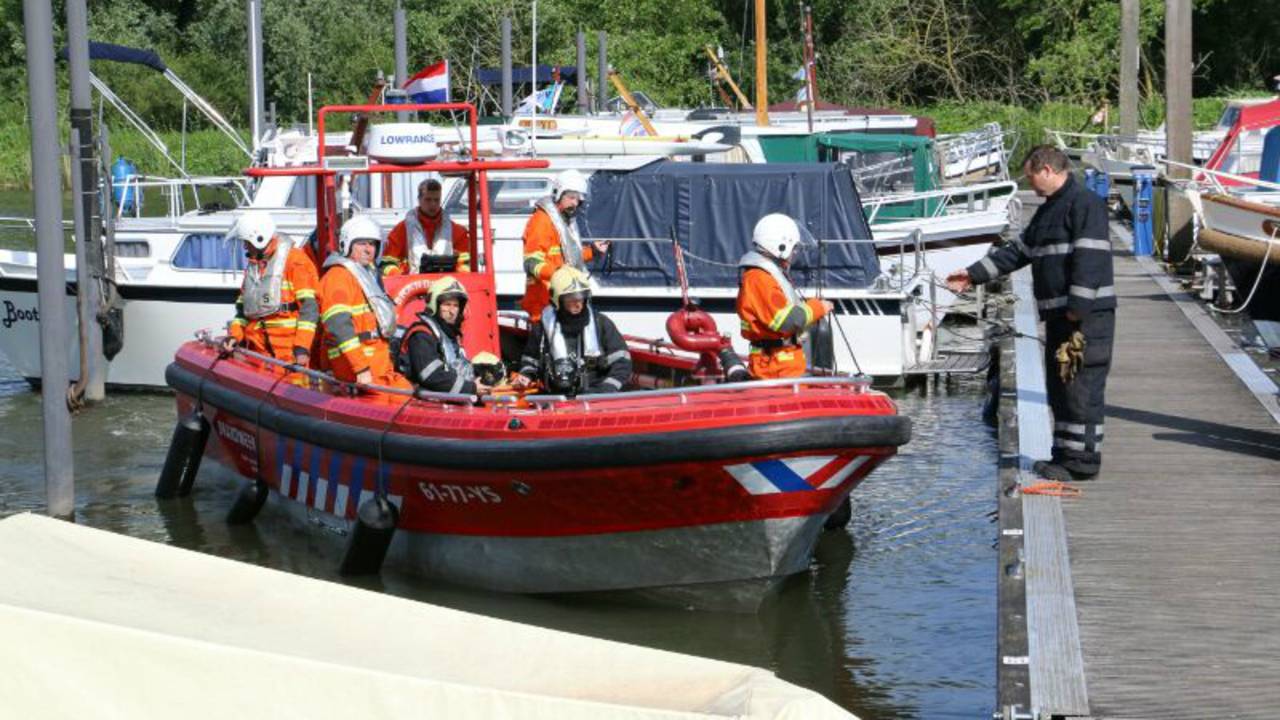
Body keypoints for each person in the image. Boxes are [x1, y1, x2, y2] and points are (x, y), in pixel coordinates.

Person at [946, 144, 1115, 481]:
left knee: (1081, 387)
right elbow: (1018, 252)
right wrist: (973, 274)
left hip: (1084, 318)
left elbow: (1090, 259)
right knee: (1061, 387)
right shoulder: (1051, 209)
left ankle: (1081, 462)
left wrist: (1077, 310)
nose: (1032, 184)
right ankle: (1064, 456)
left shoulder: (1085, 205)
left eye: (1032, 177)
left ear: (1048, 170)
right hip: (1060, 317)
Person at [736, 213, 833, 379]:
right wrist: (818, 307)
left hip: (783, 365)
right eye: (793, 248)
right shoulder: (759, 278)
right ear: (780, 246)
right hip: (775, 368)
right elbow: (785, 321)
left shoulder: (768, 275)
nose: (794, 254)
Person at [318, 214, 409, 388]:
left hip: (379, 367)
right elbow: (338, 325)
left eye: (373, 244)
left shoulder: (368, 276)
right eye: (362, 243)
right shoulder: (339, 277)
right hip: (357, 374)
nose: (369, 249)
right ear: (347, 245)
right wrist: (360, 368)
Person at [512, 266, 631, 395]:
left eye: (581, 298)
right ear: (557, 300)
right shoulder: (543, 328)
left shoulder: (600, 324)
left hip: (595, 396)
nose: (578, 304)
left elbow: (622, 361)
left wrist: (605, 389)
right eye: (571, 299)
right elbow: (530, 360)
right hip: (554, 399)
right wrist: (526, 375)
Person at [223, 211, 320, 366]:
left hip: (290, 355)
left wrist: (302, 347)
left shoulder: (295, 261)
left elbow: (309, 309)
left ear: (258, 238)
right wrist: (235, 336)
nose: (244, 246)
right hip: (260, 354)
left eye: (246, 242)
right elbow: (243, 309)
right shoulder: (255, 266)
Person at [519, 169, 609, 320]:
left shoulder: (564, 221)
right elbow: (531, 262)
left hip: (563, 299)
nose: (575, 203)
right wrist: (560, 274)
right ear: (558, 194)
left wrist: (592, 251)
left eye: (578, 199)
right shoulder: (542, 221)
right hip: (544, 304)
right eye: (571, 197)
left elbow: (568, 257)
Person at [392, 275, 492, 396]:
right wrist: (471, 388)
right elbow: (431, 376)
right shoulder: (421, 335)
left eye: (456, 306)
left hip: (449, 397)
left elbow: (457, 367)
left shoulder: (449, 334)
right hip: (425, 404)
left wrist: (485, 376)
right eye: (447, 304)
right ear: (435, 305)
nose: (452, 311)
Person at [379, 177, 472, 276]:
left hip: (446, 286)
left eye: (436, 200)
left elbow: (465, 264)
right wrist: (398, 276)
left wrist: (460, 273)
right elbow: (387, 263)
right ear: (419, 199)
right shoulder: (401, 230)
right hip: (411, 286)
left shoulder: (458, 231)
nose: (433, 204)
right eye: (428, 200)